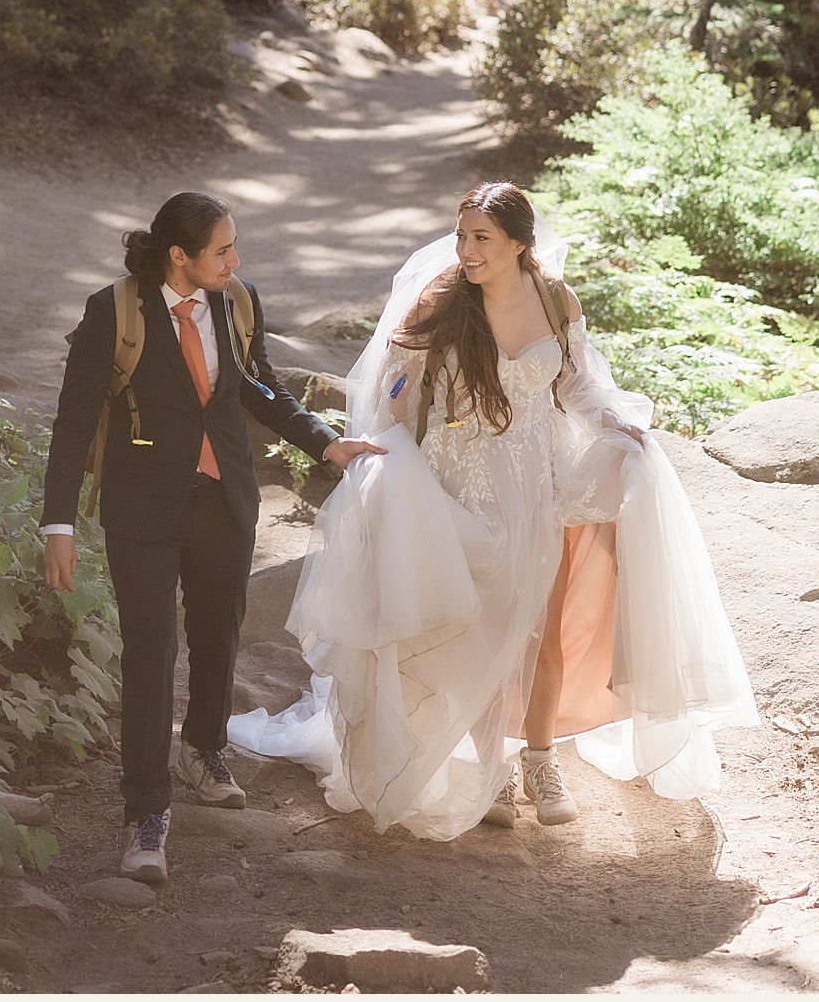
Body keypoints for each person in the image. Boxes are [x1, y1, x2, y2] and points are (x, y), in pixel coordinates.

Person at [227, 183, 755, 841]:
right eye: (461, 236)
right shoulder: (445, 298)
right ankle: (491, 766)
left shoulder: (556, 299)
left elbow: (577, 381)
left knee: (543, 626)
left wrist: (617, 421)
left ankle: (541, 760)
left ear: (518, 244)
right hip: (458, 483)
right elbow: (394, 392)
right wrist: (400, 393)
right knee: (478, 630)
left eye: (481, 238)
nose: (467, 250)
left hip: (536, 478)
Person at [41, 192, 381, 885]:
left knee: (219, 633)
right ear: (179, 256)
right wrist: (60, 523)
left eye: (234, 247)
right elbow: (74, 421)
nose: (235, 260)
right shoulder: (115, 312)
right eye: (222, 250)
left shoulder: (236, 299)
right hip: (141, 508)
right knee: (150, 646)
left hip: (225, 497)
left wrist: (325, 443)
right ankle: (145, 811)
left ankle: (202, 750)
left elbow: (259, 387)